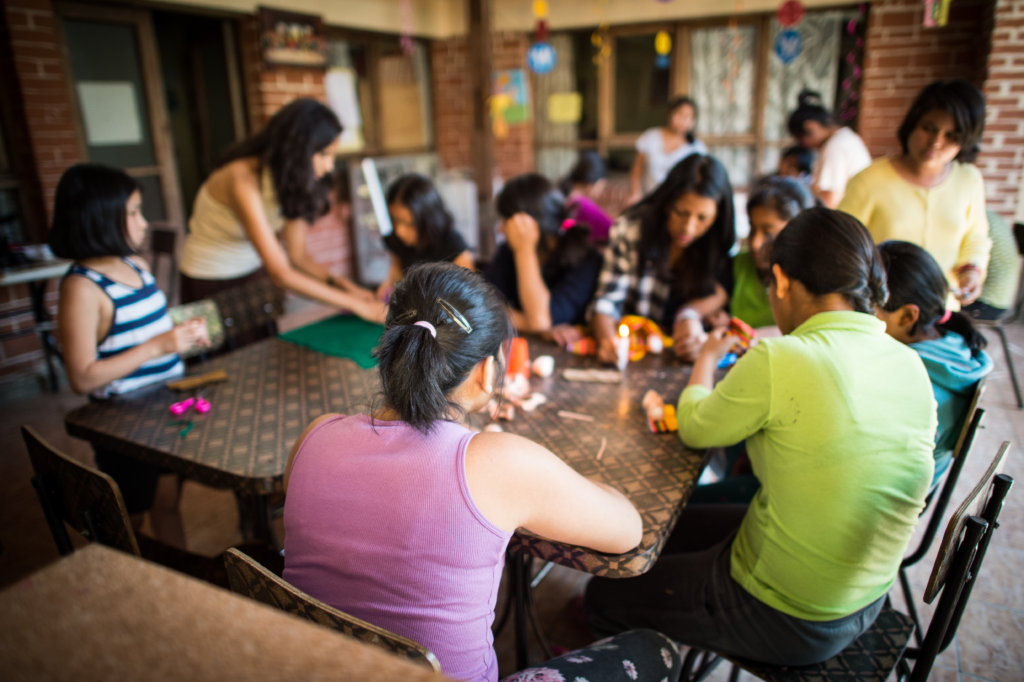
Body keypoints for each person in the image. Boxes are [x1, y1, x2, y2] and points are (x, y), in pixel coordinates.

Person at [586, 208, 936, 667]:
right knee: (670, 528)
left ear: (782, 281)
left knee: (601, 593)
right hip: (865, 600)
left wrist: (707, 360)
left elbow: (693, 428)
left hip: (786, 615)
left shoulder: (784, 356)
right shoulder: (910, 363)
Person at [283, 262, 644, 682]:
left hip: (311, 670)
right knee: (653, 649)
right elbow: (629, 531)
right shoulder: (500, 464)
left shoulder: (314, 436)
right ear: (487, 371)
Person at [48, 163, 210, 546]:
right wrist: (159, 346)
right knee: (129, 518)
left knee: (167, 501)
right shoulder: (82, 287)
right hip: (124, 423)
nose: (143, 223)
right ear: (101, 220)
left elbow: (145, 324)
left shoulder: (134, 265)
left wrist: (181, 331)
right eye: (134, 213)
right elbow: (83, 376)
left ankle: (180, 581)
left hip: (165, 405)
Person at [179, 98, 385, 322]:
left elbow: (298, 255)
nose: (330, 166)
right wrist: (355, 305)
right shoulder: (242, 179)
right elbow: (281, 273)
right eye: (324, 154)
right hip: (210, 280)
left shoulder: (291, 181)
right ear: (298, 149)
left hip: (252, 275)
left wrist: (342, 284)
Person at [839, 79, 991, 307]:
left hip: (942, 310)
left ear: (966, 140)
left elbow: (975, 236)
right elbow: (842, 244)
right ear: (912, 123)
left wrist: (972, 271)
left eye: (951, 136)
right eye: (928, 128)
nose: (935, 142)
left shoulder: (969, 180)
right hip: (880, 313)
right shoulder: (869, 180)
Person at [591, 153, 735, 363]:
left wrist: (689, 316)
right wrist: (608, 340)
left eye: (702, 218)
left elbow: (720, 291)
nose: (688, 227)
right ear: (668, 203)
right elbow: (606, 301)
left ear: (717, 215)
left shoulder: (718, 237)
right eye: (681, 213)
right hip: (637, 350)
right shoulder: (631, 230)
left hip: (685, 359)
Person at [876, 240, 992, 488]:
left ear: (907, 316)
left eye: (867, 307)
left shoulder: (906, 380)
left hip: (886, 498)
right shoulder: (955, 346)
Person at [484, 173, 603, 343]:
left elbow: (540, 320)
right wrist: (529, 323)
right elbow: (481, 305)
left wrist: (525, 249)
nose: (501, 229)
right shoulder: (507, 252)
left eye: (506, 220)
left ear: (528, 223)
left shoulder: (586, 260)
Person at [730, 175, 815, 328]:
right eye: (752, 229)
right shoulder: (739, 264)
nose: (755, 244)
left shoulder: (815, 282)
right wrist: (689, 316)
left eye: (768, 234)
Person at [377, 173, 474, 300]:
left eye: (409, 223)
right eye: (394, 220)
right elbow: (395, 281)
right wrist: (384, 290)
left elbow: (469, 300)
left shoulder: (454, 246)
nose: (399, 231)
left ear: (428, 220)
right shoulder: (398, 242)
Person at [787, 90, 871, 208]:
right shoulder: (845, 137)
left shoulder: (835, 147)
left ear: (811, 126)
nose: (804, 145)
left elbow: (829, 200)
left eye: (801, 139)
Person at [628, 95, 708, 203]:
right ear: (670, 114)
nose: (683, 120)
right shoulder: (650, 137)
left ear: (693, 121)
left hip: (679, 202)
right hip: (651, 198)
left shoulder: (697, 148)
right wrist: (635, 193)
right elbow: (637, 169)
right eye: (679, 114)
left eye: (688, 117)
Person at [559, 150, 614, 243]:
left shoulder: (567, 199)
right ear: (592, 183)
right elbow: (613, 230)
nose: (602, 189)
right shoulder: (584, 205)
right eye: (602, 184)